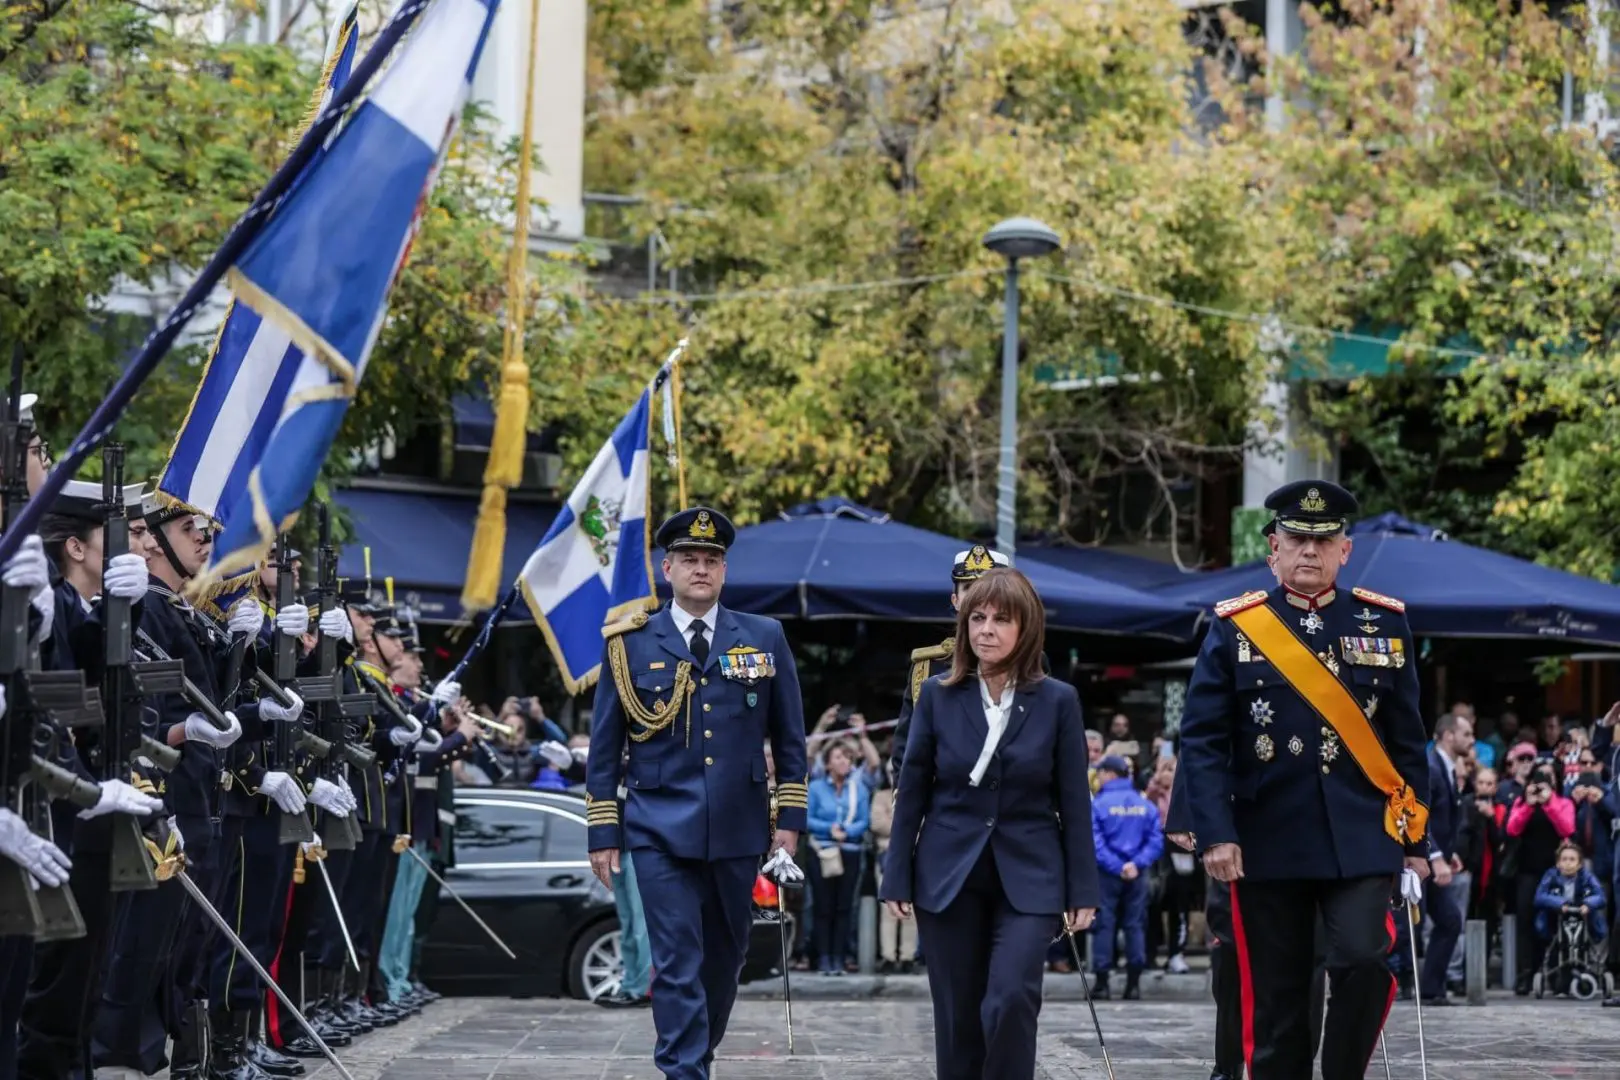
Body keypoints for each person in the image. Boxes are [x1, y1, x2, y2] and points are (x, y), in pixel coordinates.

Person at [1179, 480, 1431, 1080]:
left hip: (1362, 834)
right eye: (1296, 540)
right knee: (1279, 1003)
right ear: (1273, 549)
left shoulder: (1384, 623)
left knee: (1365, 959)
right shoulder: (1236, 628)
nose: (1309, 552)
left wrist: (1418, 844)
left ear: (1346, 550)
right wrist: (1215, 833)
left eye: (1324, 541)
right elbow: (1203, 740)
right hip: (1268, 838)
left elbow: (1406, 741)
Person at [585, 506, 808, 1080]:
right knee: (678, 960)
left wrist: (789, 824)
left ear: (725, 571)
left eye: (711, 560)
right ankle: (684, 1071)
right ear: (668, 568)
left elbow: (789, 739)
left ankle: (695, 1056)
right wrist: (603, 832)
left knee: (725, 960)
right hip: (658, 828)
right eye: (689, 559)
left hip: (738, 829)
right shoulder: (629, 643)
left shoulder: (763, 636)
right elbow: (605, 748)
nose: (701, 569)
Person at [882, 567, 1098, 1080]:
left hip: (1031, 875)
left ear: (1026, 628)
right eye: (977, 617)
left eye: (1002, 619)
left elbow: (1074, 799)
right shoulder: (937, 694)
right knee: (958, 1018)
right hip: (947, 874)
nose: (987, 629)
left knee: (1010, 1001)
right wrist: (896, 873)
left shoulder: (1058, 701)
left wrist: (1083, 887)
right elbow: (911, 789)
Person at [890, 544, 1009, 783]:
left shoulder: (1027, 661)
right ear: (955, 600)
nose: (978, 598)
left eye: (987, 590)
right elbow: (907, 751)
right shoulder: (927, 667)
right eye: (969, 589)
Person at [1089, 754, 1162, 1000]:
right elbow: (1155, 840)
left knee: (1104, 924)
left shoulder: (1098, 804)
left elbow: (1094, 842)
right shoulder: (1144, 805)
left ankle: (1102, 983)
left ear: (1109, 774)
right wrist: (1135, 864)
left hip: (1107, 874)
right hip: (1137, 874)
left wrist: (1116, 866)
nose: (1097, 778)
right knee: (1135, 925)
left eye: (1100, 773)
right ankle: (1133, 984)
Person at [1419, 712, 1472, 1005]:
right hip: (1423, 858)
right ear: (1449, 735)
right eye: (1466, 734)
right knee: (1410, 927)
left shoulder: (1447, 768)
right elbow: (1421, 816)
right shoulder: (1431, 767)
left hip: (1436, 857)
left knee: (1450, 920)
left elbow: (1444, 819)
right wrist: (1436, 856)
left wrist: (1447, 856)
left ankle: (1431, 989)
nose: (1471, 739)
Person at [806, 740, 871, 975]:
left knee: (845, 907)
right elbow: (806, 818)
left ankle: (839, 958)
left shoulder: (859, 789)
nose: (843, 762)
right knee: (823, 905)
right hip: (822, 852)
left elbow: (865, 820)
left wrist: (847, 831)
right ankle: (823, 957)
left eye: (847, 757)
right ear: (828, 763)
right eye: (838, 757)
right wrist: (829, 828)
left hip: (850, 852)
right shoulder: (815, 788)